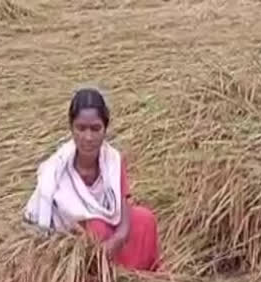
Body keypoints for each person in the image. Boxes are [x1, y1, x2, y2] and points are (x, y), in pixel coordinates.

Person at [24, 87, 161, 271]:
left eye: (95, 129)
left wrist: (121, 235)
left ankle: (138, 274)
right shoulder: (56, 170)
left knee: (145, 219)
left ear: (105, 128)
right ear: (71, 128)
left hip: (110, 225)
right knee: (97, 229)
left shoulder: (113, 160)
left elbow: (124, 202)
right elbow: (53, 218)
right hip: (73, 234)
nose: (88, 137)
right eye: (81, 128)